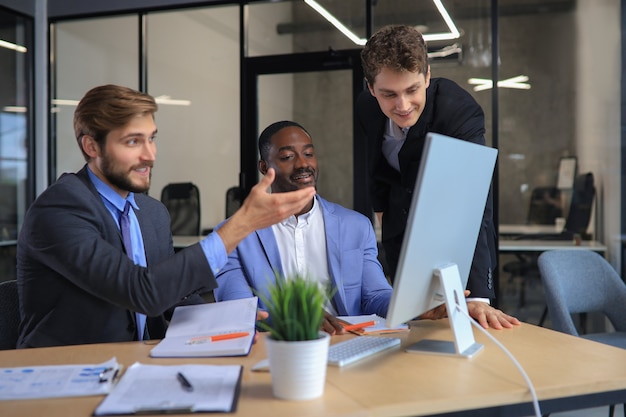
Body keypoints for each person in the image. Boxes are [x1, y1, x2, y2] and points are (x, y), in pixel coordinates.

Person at [16, 85, 315, 348]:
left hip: (138, 365)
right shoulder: (60, 208)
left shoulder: (152, 213)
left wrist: (227, 322)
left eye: (151, 139)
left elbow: (174, 297)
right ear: (91, 146)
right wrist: (243, 223)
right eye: (133, 142)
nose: (150, 155)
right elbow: (141, 291)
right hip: (65, 376)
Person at [356, 25, 518, 328]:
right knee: (411, 327)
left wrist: (479, 297)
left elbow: (474, 202)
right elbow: (374, 163)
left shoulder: (458, 112)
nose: (402, 106)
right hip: (398, 231)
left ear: (427, 77)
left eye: (412, 90)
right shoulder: (366, 107)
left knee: (461, 325)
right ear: (370, 88)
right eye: (389, 94)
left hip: (450, 228)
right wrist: (379, 209)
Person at [214, 121, 393, 335]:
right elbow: (237, 310)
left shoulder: (356, 226)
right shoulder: (232, 234)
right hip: (278, 349)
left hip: (346, 342)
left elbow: (376, 296)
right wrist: (293, 318)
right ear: (264, 167)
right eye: (288, 157)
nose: (302, 164)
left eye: (308, 154)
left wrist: (415, 306)